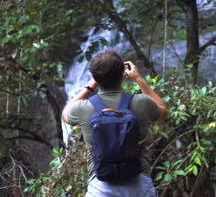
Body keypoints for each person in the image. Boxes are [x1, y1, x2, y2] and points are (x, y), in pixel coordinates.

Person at [62, 50, 168, 197]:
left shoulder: (82, 108)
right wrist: (139, 79)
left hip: (100, 188)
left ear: (96, 78)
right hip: (139, 185)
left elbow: (65, 114)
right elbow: (163, 112)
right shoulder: (142, 102)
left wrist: (90, 86)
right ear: (123, 75)